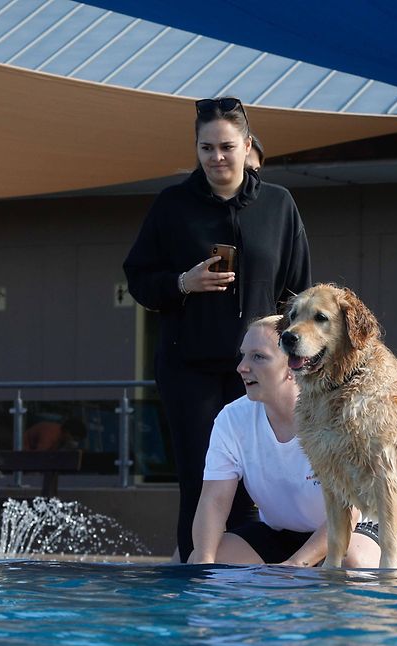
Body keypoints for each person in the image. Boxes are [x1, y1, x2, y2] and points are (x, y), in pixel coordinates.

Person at [124, 97, 312, 561]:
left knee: (257, 482)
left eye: (226, 147)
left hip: (263, 368)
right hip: (190, 368)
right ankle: (199, 585)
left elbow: (300, 293)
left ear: (247, 147)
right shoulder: (173, 205)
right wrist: (183, 283)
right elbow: (139, 279)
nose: (217, 158)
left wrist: (297, 360)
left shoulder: (278, 204)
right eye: (206, 148)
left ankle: (261, 586)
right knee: (201, 479)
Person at [186, 316, 380, 567]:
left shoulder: (337, 419)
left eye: (258, 357)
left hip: (352, 529)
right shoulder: (232, 419)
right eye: (244, 355)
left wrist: (296, 564)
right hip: (279, 533)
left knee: (351, 564)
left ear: (293, 366)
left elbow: (346, 514)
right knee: (204, 559)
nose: (241, 367)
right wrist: (204, 567)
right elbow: (214, 501)